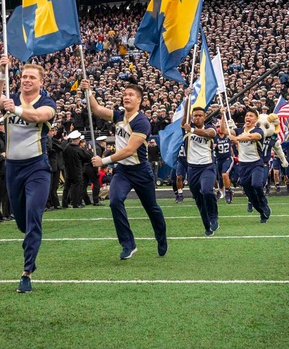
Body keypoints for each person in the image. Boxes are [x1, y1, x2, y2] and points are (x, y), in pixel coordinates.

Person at [0, 55, 57, 294]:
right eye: (24, 76)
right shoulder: (11, 97)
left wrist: (15, 108)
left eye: (31, 77)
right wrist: (1, 73)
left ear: (41, 81)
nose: (26, 80)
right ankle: (31, 243)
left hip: (37, 168)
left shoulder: (47, 102)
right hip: (13, 169)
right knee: (22, 222)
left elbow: (38, 116)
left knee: (33, 216)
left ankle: (26, 272)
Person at [83, 78, 167, 260]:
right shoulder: (119, 116)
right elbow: (96, 109)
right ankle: (128, 244)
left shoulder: (142, 122)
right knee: (114, 201)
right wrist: (88, 91)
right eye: (124, 94)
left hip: (140, 170)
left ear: (139, 100)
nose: (126, 97)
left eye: (131, 95)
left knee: (151, 207)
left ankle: (161, 237)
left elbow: (129, 150)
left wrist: (103, 160)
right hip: (123, 171)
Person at [227, 109, 284, 223]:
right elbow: (225, 131)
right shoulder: (239, 130)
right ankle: (262, 211)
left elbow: (251, 137)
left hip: (256, 163)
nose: (248, 117)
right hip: (243, 165)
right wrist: (224, 117)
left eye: (251, 115)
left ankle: (264, 203)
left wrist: (237, 138)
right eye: (247, 115)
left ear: (256, 119)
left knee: (257, 184)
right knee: (249, 192)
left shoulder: (259, 131)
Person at [183, 107, 219, 235]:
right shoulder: (186, 127)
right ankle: (207, 226)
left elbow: (210, 134)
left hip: (207, 166)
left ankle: (214, 216)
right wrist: (188, 97)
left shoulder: (210, 128)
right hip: (192, 168)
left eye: (200, 115)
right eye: (195, 115)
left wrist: (192, 130)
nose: (197, 117)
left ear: (205, 117)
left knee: (207, 190)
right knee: (199, 200)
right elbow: (185, 113)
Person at [62, 130, 86, 208]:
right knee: (77, 187)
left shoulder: (66, 147)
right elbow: (86, 157)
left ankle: (64, 203)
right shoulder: (78, 149)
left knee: (66, 187)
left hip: (68, 170)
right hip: (77, 171)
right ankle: (75, 203)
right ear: (77, 139)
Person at [214, 118, 236, 203]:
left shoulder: (229, 134)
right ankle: (222, 191)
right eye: (217, 127)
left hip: (228, 158)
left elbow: (233, 145)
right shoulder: (215, 137)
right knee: (219, 178)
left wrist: (234, 155)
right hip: (219, 160)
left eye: (220, 126)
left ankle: (227, 192)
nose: (219, 129)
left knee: (224, 174)